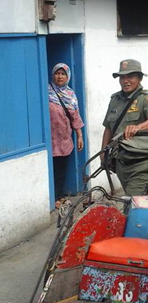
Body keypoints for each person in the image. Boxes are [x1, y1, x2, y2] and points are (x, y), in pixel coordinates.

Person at [102, 59, 148, 196]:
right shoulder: (115, 100)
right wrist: (103, 154)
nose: (126, 81)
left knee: (133, 203)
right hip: (121, 163)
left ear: (140, 78)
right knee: (136, 203)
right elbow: (108, 128)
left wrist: (137, 127)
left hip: (141, 164)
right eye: (122, 77)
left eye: (130, 76)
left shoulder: (147, 98)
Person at [48, 63, 84, 206]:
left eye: (63, 74)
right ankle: (53, 198)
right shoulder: (46, 91)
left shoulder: (70, 94)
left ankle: (59, 195)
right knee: (50, 168)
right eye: (57, 73)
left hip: (64, 138)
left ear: (67, 76)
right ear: (53, 75)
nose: (60, 76)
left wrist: (79, 135)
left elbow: (75, 116)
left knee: (61, 168)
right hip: (49, 138)